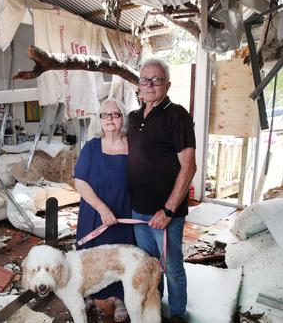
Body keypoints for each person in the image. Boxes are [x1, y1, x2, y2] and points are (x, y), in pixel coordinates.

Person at [127, 58, 197, 323]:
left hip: (165, 214)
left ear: (166, 84)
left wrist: (168, 210)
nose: (150, 84)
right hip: (138, 211)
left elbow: (189, 167)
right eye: (145, 79)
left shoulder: (177, 115)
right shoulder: (134, 117)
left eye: (157, 79)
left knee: (172, 268)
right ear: (138, 84)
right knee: (149, 267)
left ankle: (177, 314)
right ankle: (154, 310)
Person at [74, 98, 135, 322]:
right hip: (94, 212)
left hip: (124, 210)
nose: (110, 119)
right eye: (105, 115)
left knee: (120, 255)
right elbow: (79, 182)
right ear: (99, 120)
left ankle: (119, 298)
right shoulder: (91, 147)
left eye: (115, 114)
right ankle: (89, 292)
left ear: (123, 118)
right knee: (92, 255)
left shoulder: (133, 145)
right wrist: (101, 208)